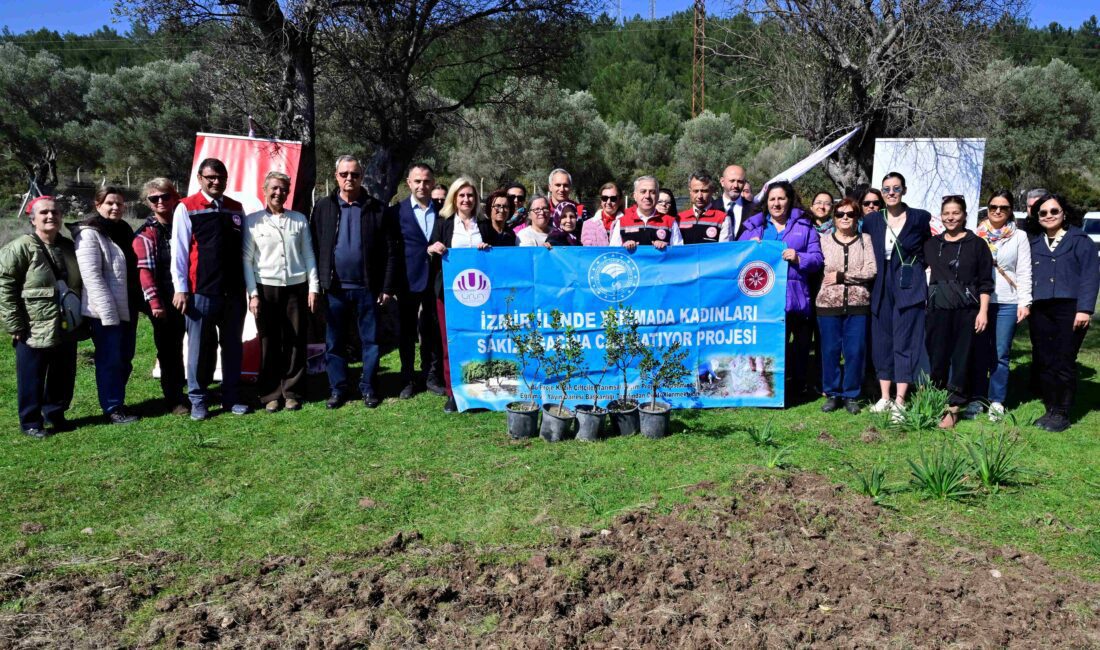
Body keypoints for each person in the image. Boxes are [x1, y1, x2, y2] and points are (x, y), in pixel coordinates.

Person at [311, 155, 402, 410]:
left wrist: (386, 287)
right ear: (335, 176)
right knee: (334, 342)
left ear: (362, 176)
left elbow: (390, 251)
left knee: (370, 341)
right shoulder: (323, 207)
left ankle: (369, 386)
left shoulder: (377, 208)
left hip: (367, 289)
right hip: (335, 289)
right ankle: (338, 389)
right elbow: (315, 247)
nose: (349, 179)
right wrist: (317, 284)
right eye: (344, 174)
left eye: (355, 174)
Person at [172, 158, 251, 420]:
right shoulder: (186, 207)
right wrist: (181, 288)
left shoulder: (236, 208)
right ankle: (198, 399)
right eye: (210, 177)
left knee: (232, 346)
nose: (216, 181)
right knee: (200, 348)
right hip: (201, 291)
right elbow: (180, 253)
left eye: (221, 177)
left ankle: (231, 397)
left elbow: (245, 251)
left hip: (233, 292)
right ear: (200, 178)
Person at [0, 197, 82, 438]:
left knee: (63, 373)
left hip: (66, 323)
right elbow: (5, 286)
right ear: (32, 218)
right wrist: (14, 324)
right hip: (32, 325)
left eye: (55, 212)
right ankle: (31, 422)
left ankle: (56, 414)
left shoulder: (67, 246)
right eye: (44, 213)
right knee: (32, 376)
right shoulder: (19, 247)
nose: (50, 216)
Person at [738, 181, 823, 399]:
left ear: (789, 200)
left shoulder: (805, 227)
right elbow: (735, 257)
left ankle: (799, 386)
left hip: (795, 297)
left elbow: (817, 259)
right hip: (765, 301)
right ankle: (774, 388)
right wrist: (748, 248)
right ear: (766, 202)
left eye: (781, 198)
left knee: (801, 347)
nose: (776, 203)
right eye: (772, 199)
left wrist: (799, 257)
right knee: (773, 346)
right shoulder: (753, 228)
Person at [243, 171, 320, 413]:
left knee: (296, 339)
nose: (279, 193)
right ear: (265, 191)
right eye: (274, 188)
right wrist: (253, 294)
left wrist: (314, 287)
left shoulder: (299, 220)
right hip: (266, 288)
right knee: (269, 341)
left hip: (297, 288)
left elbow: (309, 255)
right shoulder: (253, 221)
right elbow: (247, 260)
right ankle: (270, 393)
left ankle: (292, 391)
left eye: (283, 189)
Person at [1025, 193, 1099, 432]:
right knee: (1045, 360)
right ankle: (1051, 409)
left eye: (1054, 211)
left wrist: (1085, 309)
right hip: (1041, 309)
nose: (1049, 216)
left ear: (1064, 213)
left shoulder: (1080, 240)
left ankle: (1063, 412)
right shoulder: (1033, 242)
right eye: (1043, 213)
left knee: (1064, 360)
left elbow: (1090, 276)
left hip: (1070, 309)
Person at [862, 172, 931, 416]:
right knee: (882, 342)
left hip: (908, 285)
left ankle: (901, 401)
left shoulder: (919, 218)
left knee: (906, 341)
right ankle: (884, 397)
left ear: (904, 190)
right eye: (887, 189)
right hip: (880, 285)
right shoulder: (872, 220)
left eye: (896, 188)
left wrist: (917, 269)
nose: (891, 193)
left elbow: (927, 248)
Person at [71, 186, 141, 425]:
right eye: (110, 203)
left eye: (119, 203)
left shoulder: (123, 229)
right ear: (97, 204)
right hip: (105, 310)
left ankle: (116, 399)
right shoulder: (89, 233)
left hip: (127, 305)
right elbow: (91, 277)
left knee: (125, 357)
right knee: (110, 359)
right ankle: (112, 406)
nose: (115, 207)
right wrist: (107, 313)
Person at [923, 196, 993, 429]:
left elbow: (985, 282)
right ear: (941, 216)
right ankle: (935, 403)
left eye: (955, 213)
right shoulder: (931, 244)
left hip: (967, 312)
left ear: (964, 215)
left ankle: (953, 409)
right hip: (938, 310)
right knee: (938, 358)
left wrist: (983, 312)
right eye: (946, 213)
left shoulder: (977, 244)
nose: (951, 217)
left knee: (961, 360)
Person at [427, 177, 491, 412]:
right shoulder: (443, 222)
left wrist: (486, 249)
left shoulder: (483, 224)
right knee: (451, 342)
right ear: (454, 198)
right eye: (462, 195)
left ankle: (479, 389)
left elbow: (494, 256)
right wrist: (433, 248)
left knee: (479, 340)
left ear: (476, 199)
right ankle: (453, 392)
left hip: (480, 294)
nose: (466, 199)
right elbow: (430, 247)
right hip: (449, 293)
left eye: (470, 195)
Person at [969, 191, 1032, 421]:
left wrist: (1024, 301)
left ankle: (996, 400)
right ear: (987, 208)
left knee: (1000, 353)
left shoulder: (1019, 236)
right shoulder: (976, 234)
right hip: (979, 302)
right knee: (978, 351)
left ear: (1010, 210)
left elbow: (1024, 270)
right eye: (993, 206)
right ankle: (976, 397)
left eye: (1003, 207)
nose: (997, 211)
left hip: (1007, 300)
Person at [388, 163, 446, 399]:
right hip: (407, 280)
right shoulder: (396, 212)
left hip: (435, 280)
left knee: (432, 330)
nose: (422, 185)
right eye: (417, 181)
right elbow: (391, 249)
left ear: (433, 183)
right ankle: (407, 378)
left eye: (427, 181)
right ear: (409, 184)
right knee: (407, 333)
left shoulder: (443, 212)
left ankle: (431, 376)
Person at [133, 178, 188, 416]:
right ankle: (174, 397)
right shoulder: (145, 234)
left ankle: (195, 389)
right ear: (148, 203)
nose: (160, 201)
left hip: (190, 295)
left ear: (175, 196)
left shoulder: (185, 223)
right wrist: (155, 303)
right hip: (164, 301)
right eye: (154, 198)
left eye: (165, 196)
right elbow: (144, 273)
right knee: (169, 349)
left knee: (198, 344)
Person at [816, 198, 876, 414]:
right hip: (828, 305)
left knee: (855, 351)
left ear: (857, 217)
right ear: (834, 217)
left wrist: (842, 276)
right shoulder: (823, 240)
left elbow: (871, 270)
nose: (845, 218)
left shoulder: (865, 240)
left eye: (850, 214)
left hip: (858, 304)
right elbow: (817, 265)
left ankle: (851, 393)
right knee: (830, 350)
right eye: (840, 214)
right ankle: (832, 393)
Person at [610, 176, 683, 250]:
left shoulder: (670, 222)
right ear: (635, 196)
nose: (647, 196)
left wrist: (667, 247)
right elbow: (613, 254)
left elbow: (679, 254)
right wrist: (623, 247)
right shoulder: (622, 222)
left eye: (652, 192)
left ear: (657, 196)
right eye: (643, 191)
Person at [677, 170, 731, 243]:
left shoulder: (723, 219)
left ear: (711, 191)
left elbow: (724, 250)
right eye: (696, 191)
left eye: (704, 191)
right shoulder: (679, 218)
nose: (699, 196)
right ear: (690, 191)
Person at [714, 164, 754, 238]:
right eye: (732, 181)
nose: (736, 185)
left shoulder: (754, 210)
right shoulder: (711, 208)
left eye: (740, 181)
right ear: (722, 181)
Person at [580, 182, 622, 246]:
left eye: (613, 198)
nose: (608, 202)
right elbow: (588, 250)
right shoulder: (588, 224)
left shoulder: (627, 223)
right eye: (605, 198)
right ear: (601, 201)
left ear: (619, 201)